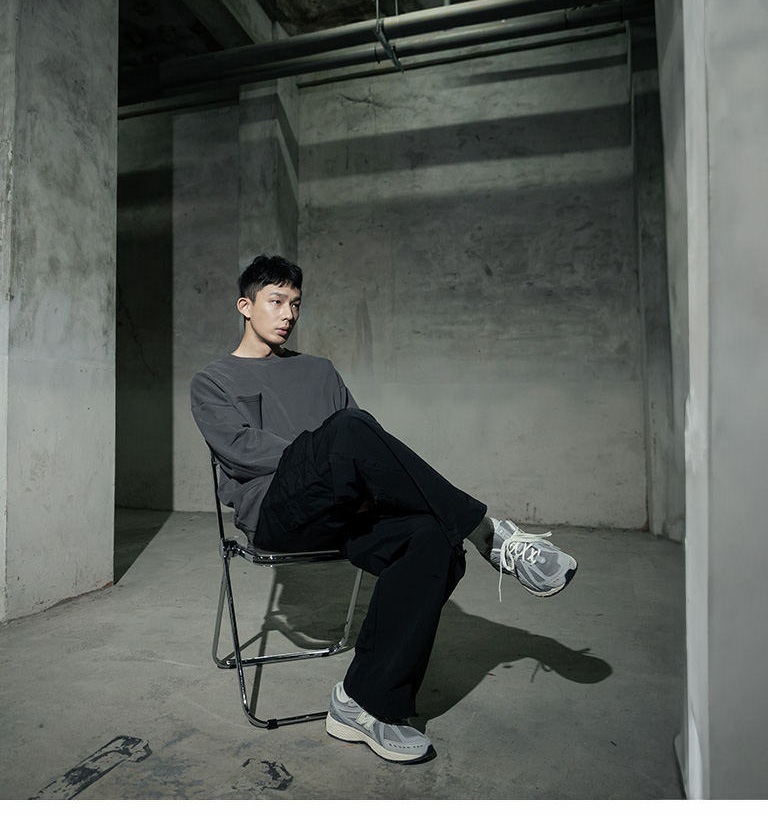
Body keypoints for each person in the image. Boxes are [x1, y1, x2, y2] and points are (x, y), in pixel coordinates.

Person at [190, 254, 577, 765]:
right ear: (245, 305)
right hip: (277, 512)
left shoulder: (319, 370)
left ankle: (365, 702)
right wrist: (322, 449)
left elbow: (364, 451)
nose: (288, 314)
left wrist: (339, 454)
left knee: (434, 539)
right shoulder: (213, 380)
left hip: (344, 507)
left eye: (296, 304)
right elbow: (242, 450)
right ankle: (489, 532)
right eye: (276, 301)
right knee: (348, 429)